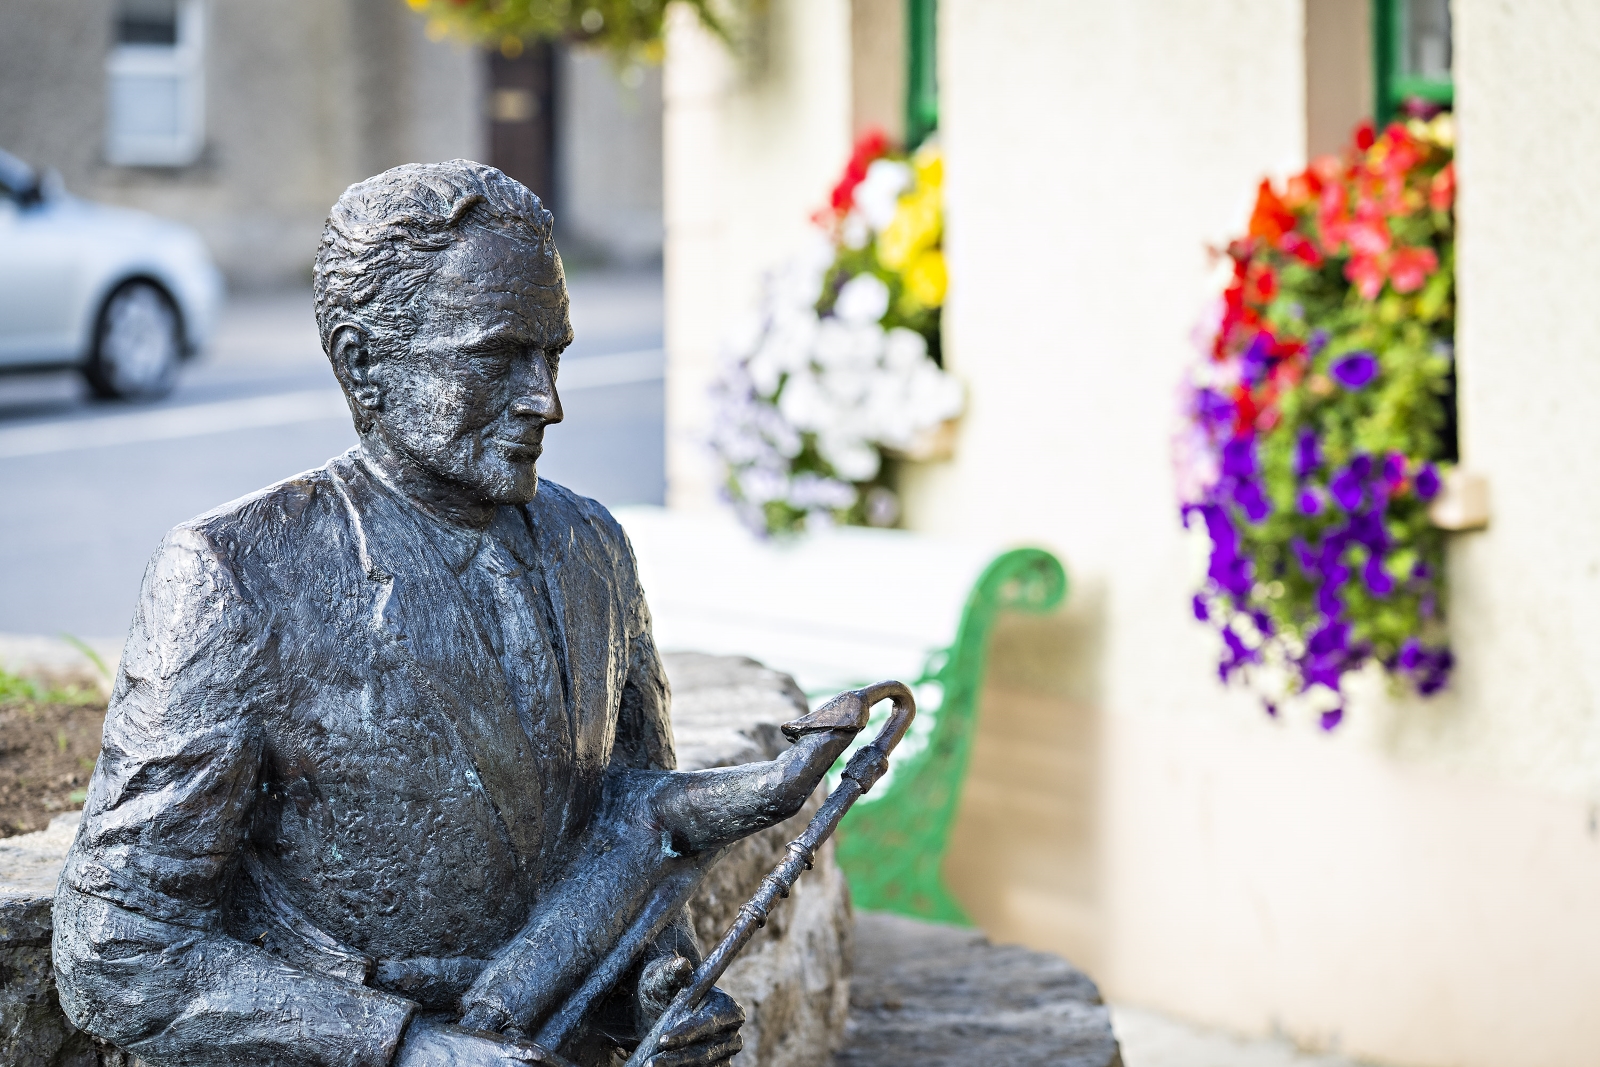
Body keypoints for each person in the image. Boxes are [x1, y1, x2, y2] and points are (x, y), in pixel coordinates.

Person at [53, 161, 751, 1067]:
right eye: (498, 356)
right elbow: (115, 937)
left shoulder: (593, 548)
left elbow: (631, 811)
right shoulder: (235, 577)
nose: (548, 400)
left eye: (553, 353)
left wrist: (656, 979)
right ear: (363, 363)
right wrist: (409, 1048)